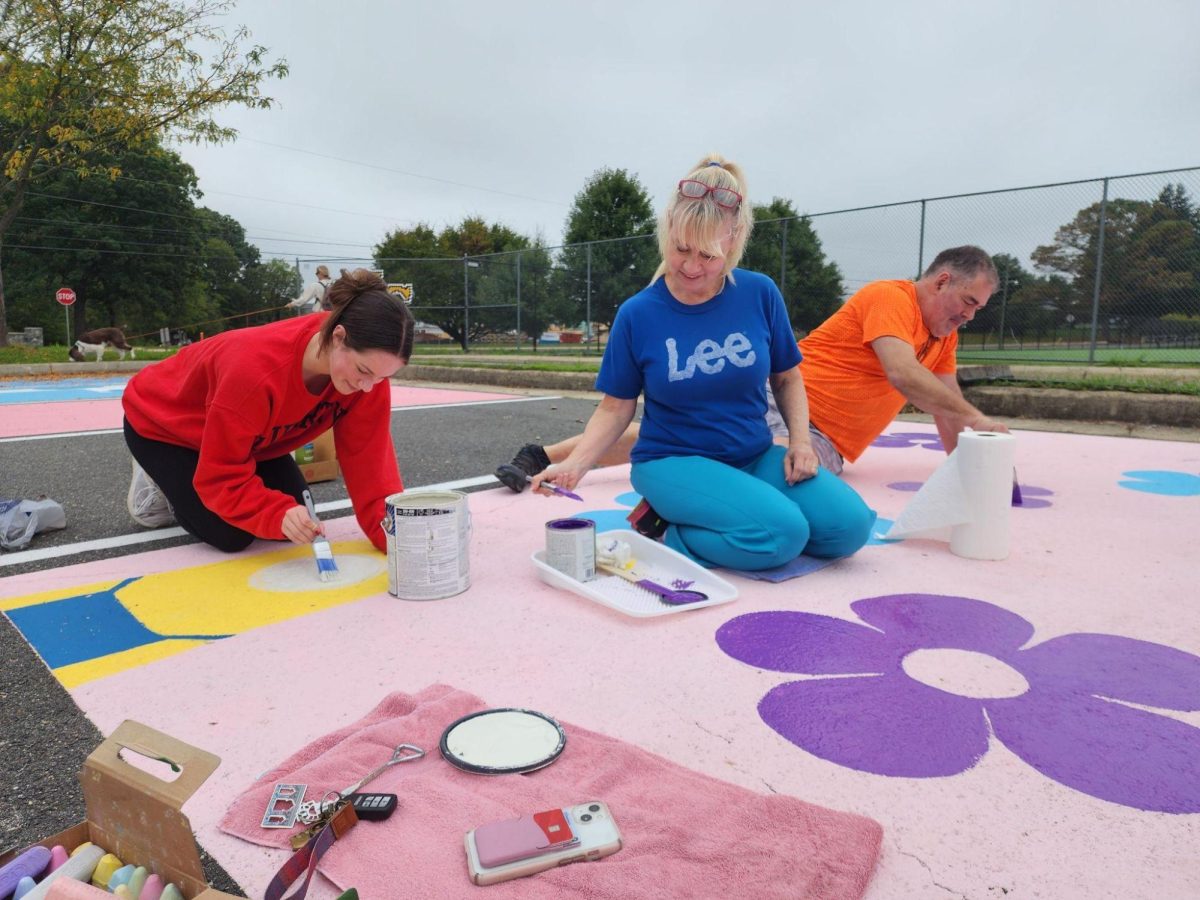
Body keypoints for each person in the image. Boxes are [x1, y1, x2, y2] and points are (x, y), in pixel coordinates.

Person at [528, 154, 875, 572]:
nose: (692, 268)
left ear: (735, 238)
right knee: (784, 536)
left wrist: (801, 442)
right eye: (681, 250)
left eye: (708, 255)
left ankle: (731, 518)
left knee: (849, 529)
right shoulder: (639, 314)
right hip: (672, 463)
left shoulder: (759, 293)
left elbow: (786, 377)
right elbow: (615, 407)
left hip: (753, 454)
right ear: (668, 230)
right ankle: (666, 528)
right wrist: (574, 465)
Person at [497, 245, 1007, 485]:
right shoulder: (890, 297)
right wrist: (979, 418)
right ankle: (543, 455)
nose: (969, 314)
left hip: (822, 438)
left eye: (977, 310)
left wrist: (974, 471)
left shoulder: (944, 338)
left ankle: (555, 458)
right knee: (685, 436)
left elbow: (949, 412)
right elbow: (903, 374)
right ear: (940, 280)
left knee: (776, 474)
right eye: (968, 300)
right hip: (777, 400)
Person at [122, 268, 414, 553]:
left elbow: (371, 464)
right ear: (338, 337)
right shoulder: (254, 372)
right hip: (164, 425)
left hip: (250, 439)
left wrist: (396, 537)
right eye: (364, 371)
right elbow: (219, 478)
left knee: (298, 522)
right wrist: (275, 515)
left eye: (381, 377)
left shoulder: (368, 374)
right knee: (231, 535)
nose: (368, 387)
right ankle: (161, 482)